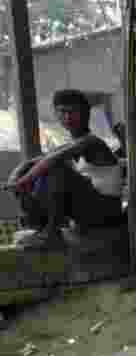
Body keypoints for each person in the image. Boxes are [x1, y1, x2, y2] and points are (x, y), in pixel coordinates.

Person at [10, 89, 124, 249]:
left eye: (73, 112)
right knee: (35, 170)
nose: (68, 117)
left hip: (106, 213)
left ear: (86, 113)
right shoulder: (72, 144)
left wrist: (24, 180)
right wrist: (18, 174)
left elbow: (53, 159)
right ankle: (40, 228)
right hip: (90, 211)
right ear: (56, 115)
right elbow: (41, 159)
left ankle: (51, 233)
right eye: (62, 112)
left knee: (56, 170)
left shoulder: (93, 142)